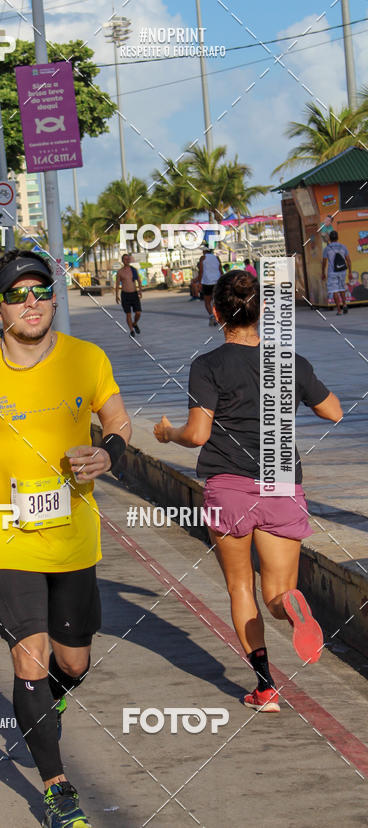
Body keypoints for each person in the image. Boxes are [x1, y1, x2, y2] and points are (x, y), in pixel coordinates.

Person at [0, 249, 131, 827]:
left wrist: (107, 453)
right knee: (30, 663)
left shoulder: (85, 358)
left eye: (40, 290)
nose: (31, 301)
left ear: (54, 298)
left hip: (73, 533)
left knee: (75, 660)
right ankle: (57, 787)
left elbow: (117, 420)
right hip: (6, 533)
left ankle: (47, 703)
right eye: (18, 294)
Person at [153, 270, 342, 712]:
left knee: (241, 587)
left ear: (215, 311)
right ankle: (292, 605)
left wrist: (167, 434)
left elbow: (198, 435)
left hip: (230, 485)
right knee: (276, 593)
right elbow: (332, 411)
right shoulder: (288, 360)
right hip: (280, 481)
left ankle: (265, 688)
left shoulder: (208, 365)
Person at [321, 229, 351, 314]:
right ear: (338, 238)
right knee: (342, 288)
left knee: (334, 290)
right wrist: (350, 272)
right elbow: (348, 260)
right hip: (342, 271)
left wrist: (323, 272)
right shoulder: (343, 247)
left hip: (332, 271)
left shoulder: (327, 248)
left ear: (330, 238)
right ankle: (344, 305)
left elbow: (324, 262)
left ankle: (339, 310)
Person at [115, 252, 143, 337]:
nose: (127, 260)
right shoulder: (120, 272)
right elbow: (117, 284)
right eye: (126, 259)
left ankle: (134, 323)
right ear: (122, 261)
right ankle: (131, 330)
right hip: (125, 295)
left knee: (138, 312)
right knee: (128, 313)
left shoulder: (133, 270)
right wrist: (117, 295)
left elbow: (138, 280)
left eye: (128, 259)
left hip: (134, 294)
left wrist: (140, 290)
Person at [197, 242, 223, 326]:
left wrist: (199, 282)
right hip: (217, 282)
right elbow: (220, 270)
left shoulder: (203, 258)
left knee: (207, 302)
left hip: (207, 282)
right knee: (216, 301)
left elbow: (201, 271)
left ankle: (212, 317)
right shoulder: (216, 258)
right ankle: (218, 316)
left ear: (204, 251)